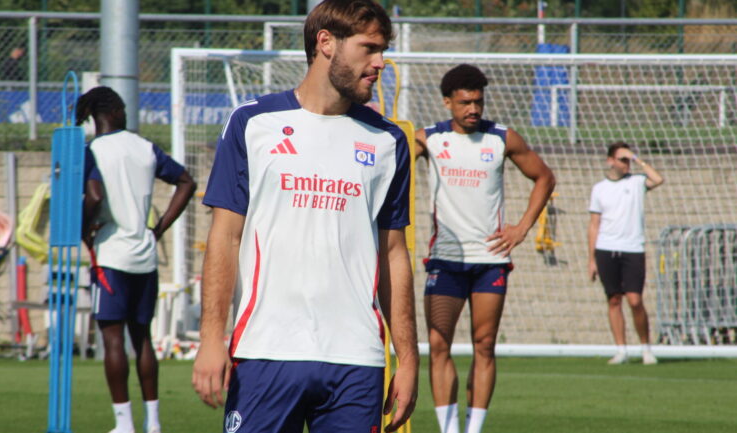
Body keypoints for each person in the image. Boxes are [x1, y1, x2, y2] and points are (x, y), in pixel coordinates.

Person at [191, 1, 419, 432]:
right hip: (264, 351)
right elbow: (225, 238)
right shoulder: (253, 123)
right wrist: (210, 339)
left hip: (357, 360)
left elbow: (393, 255)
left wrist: (407, 359)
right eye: (369, 48)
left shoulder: (389, 141)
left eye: (383, 50)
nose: (381, 62)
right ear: (326, 42)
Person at [414, 64, 555, 433]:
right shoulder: (427, 139)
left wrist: (522, 228)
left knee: (484, 343)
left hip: (490, 261)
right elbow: (388, 158)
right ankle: (449, 429)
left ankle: (473, 429)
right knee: (438, 343)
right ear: (447, 102)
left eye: (478, 101)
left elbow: (544, 177)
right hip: (445, 259)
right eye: (464, 103)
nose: (473, 109)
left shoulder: (503, 138)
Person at [77, 86, 197, 433]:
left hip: (111, 255)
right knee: (142, 338)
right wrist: (157, 229)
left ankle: (124, 424)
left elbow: (94, 194)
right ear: (111, 110)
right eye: (123, 108)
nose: (126, 114)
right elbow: (186, 182)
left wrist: (84, 230)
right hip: (145, 256)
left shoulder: (94, 150)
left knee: (113, 339)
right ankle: (154, 423)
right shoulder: (146, 147)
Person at [588, 142, 663, 365]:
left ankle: (646, 348)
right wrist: (591, 259)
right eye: (622, 159)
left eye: (628, 160)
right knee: (613, 300)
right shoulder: (599, 189)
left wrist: (638, 159)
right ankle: (621, 349)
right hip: (606, 249)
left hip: (633, 249)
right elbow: (594, 225)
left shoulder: (638, 182)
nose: (626, 163)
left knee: (635, 300)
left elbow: (658, 179)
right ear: (610, 161)